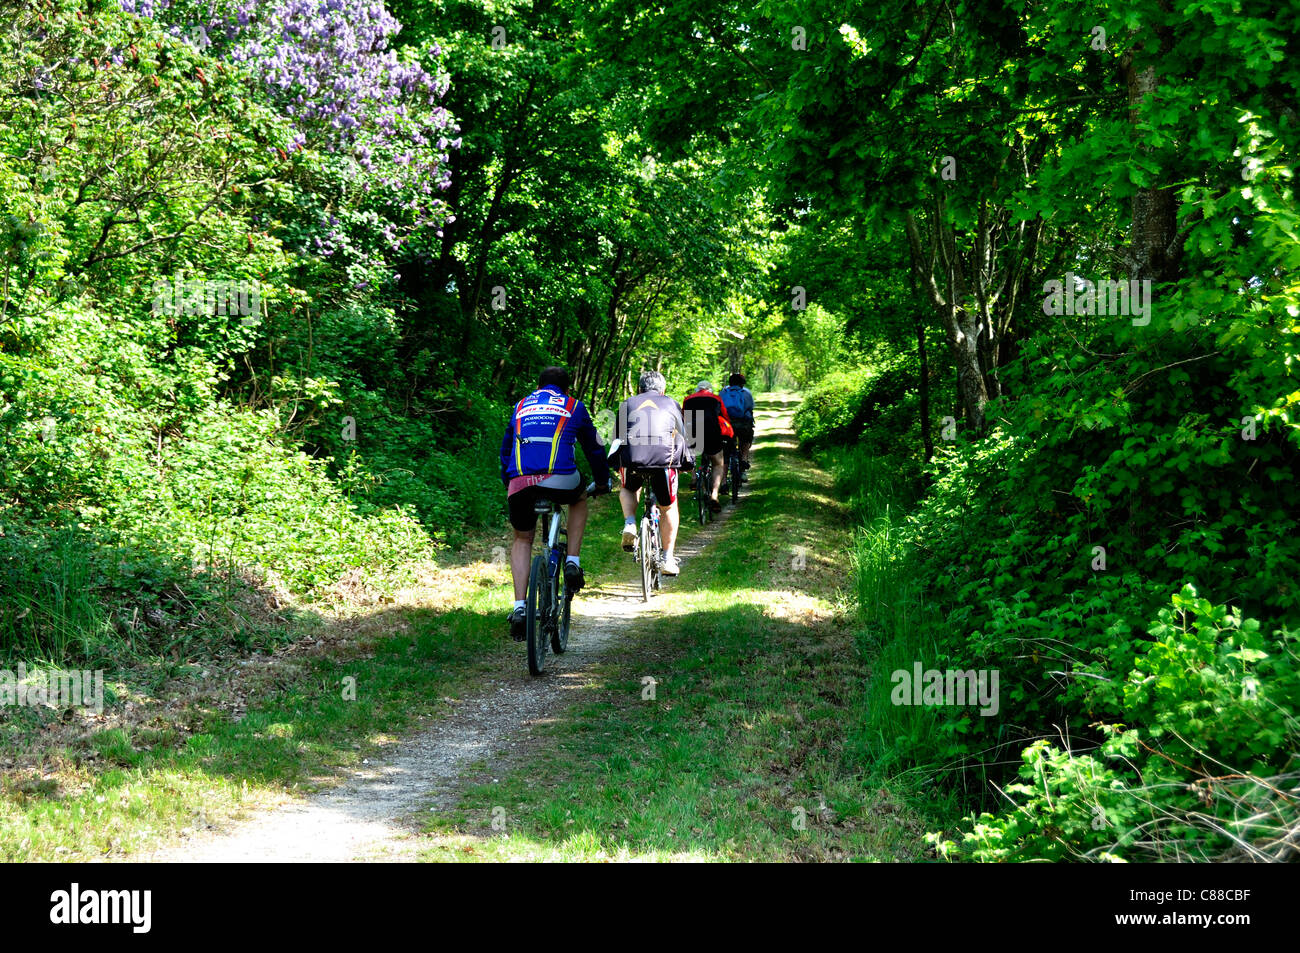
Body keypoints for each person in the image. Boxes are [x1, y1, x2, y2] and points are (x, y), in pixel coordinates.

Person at [499, 366, 610, 641]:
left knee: (522, 539)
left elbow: (505, 450)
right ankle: (572, 561)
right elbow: (594, 447)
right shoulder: (574, 405)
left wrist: (509, 483)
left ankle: (520, 607)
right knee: (580, 496)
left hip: (520, 482)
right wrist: (603, 481)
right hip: (561, 479)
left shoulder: (520, 405)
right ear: (567, 389)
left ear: (538, 387)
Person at [613, 370, 693, 576]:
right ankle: (667, 558)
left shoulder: (627, 404)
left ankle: (630, 523)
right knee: (668, 507)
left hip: (632, 460)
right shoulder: (672, 403)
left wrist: (614, 464)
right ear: (663, 389)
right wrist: (686, 463)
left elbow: (617, 439)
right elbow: (684, 438)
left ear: (639, 389)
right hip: (663, 462)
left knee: (628, 488)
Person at [682, 380, 733, 511]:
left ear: (696, 389)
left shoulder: (687, 399)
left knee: (692, 455)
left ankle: (694, 478)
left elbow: (683, 417)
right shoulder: (716, 399)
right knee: (718, 463)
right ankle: (714, 495)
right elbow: (725, 417)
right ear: (710, 389)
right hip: (712, 431)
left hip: (692, 431)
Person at [719, 372, 755, 474]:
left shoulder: (723, 392)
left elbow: (719, 409)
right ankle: (744, 458)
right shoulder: (746, 393)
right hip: (743, 424)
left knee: (726, 453)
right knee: (746, 438)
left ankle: (724, 482)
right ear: (742, 383)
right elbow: (751, 407)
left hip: (727, 426)